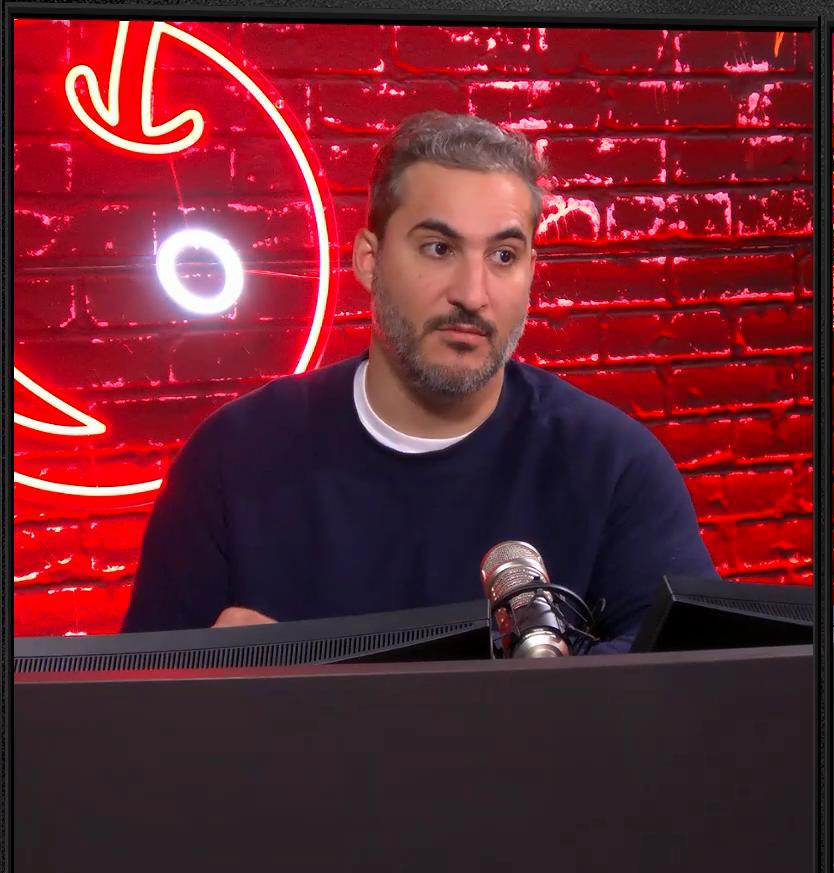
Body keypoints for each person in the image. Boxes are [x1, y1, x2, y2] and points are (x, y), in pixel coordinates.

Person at [122, 112, 715, 651]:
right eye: (438, 248)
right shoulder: (232, 458)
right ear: (369, 260)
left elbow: (688, 680)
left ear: (532, 271)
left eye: (504, 256)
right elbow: (139, 706)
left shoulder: (613, 464)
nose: (472, 294)